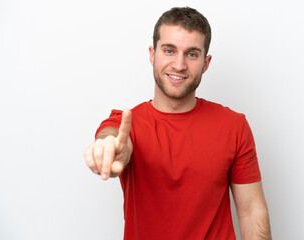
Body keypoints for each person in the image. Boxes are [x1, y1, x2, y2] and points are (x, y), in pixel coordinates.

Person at [84, 7, 271, 240]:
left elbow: (252, 210)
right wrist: (109, 150)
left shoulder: (234, 125)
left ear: (206, 62)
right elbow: (111, 140)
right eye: (169, 50)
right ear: (152, 55)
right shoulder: (124, 124)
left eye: (192, 54)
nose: (179, 65)